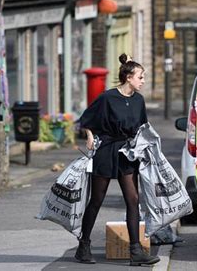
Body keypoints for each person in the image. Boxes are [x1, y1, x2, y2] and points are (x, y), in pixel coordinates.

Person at [75, 53, 160, 266]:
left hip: (128, 152)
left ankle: (135, 251)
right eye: (141, 77)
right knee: (97, 199)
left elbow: (142, 128)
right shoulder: (107, 97)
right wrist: (90, 135)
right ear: (129, 77)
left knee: (133, 199)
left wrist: (146, 149)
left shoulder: (139, 100)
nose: (143, 81)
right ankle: (83, 246)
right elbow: (86, 119)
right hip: (107, 151)